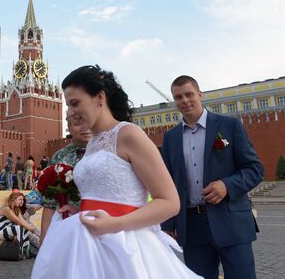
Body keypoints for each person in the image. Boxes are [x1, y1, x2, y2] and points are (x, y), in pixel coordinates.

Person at [32, 65, 200, 278]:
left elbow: (169, 202)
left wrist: (115, 223)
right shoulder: (93, 144)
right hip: (85, 242)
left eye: (75, 103)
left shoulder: (129, 134)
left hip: (124, 244)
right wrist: (81, 210)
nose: (70, 113)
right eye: (67, 105)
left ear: (99, 97)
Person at [161, 75, 264, 279]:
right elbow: (169, 183)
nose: (185, 101)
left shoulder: (229, 126)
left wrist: (227, 185)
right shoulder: (171, 138)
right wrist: (169, 224)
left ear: (200, 95)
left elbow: (255, 169)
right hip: (192, 228)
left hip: (231, 221)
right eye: (178, 97)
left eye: (189, 94)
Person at [39, 114, 92, 245]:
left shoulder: (112, 152)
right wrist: (43, 241)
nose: (85, 128)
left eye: (88, 122)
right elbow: (49, 204)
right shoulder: (60, 157)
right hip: (68, 229)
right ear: (69, 128)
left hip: (104, 227)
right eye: (77, 124)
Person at [0, 192, 38, 258]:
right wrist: (30, 228)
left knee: (26, 229)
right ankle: (19, 251)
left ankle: (27, 251)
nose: (22, 201)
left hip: (11, 230)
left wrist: (33, 229)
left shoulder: (16, 210)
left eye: (23, 199)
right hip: (1, 232)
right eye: (20, 199)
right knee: (19, 227)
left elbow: (23, 221)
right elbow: (18, 221)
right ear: (13, 199)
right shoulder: (6, 208)